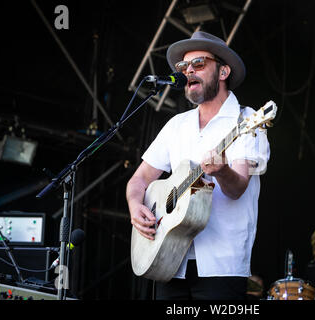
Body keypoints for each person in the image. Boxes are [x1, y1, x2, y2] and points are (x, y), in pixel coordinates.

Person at [126, 31, 270, 300]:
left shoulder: (246, 120)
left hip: (221, 265)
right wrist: (136, 206)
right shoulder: (176, 125)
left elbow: (237, 187)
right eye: (183, 67)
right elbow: (139, 180)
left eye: (199, 64)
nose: (188, 71)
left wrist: (222, 170)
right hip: (168, 260)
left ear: (224, 71)